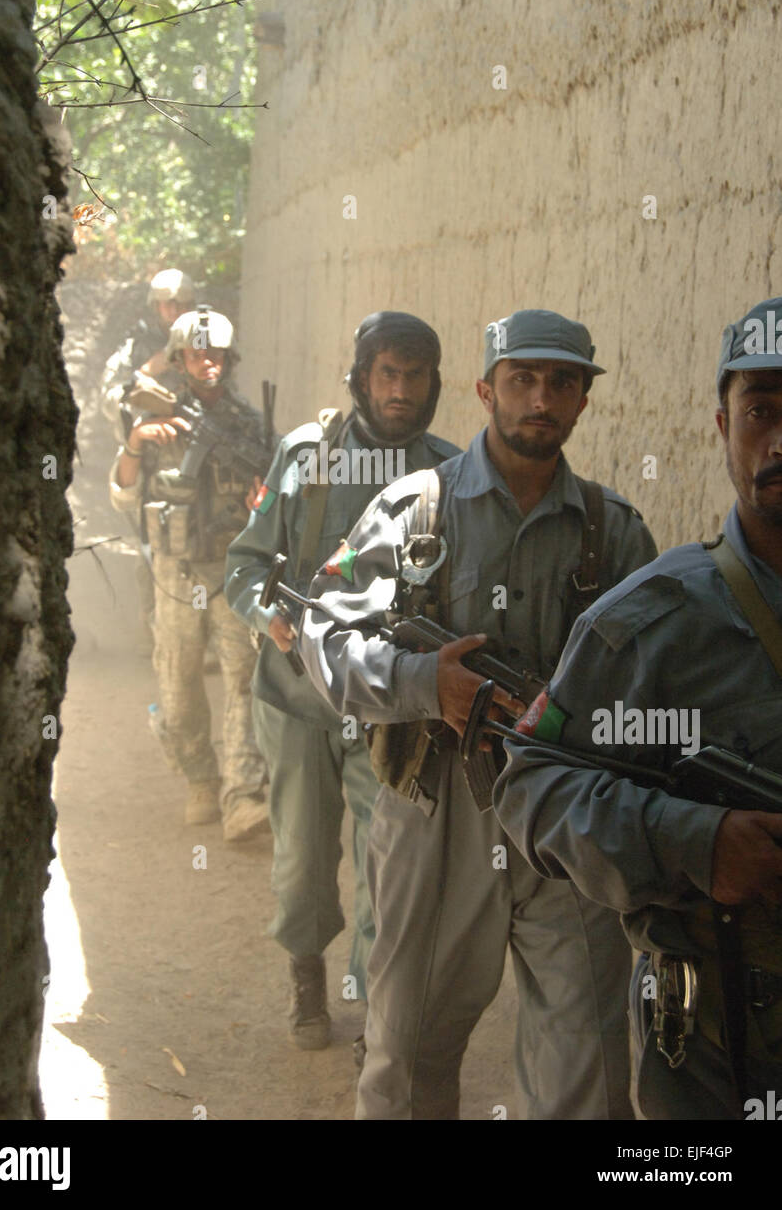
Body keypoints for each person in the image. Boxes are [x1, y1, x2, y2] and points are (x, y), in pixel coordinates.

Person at [299, 309, 658, 1119]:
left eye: (560, 383)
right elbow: (324, 636)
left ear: (581, 401)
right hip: (437, 813)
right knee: (409, 1051)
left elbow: (657, 681)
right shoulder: (411, 510)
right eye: (521, 380)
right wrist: (427, 683)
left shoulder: (617, 532)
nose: (541, 398)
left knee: (588, 1060)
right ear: (484, 389)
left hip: (570, 818)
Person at [493, 296, 782, 1121]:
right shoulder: (651, 620)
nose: (778, 438)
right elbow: (530, 786)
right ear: (720, 427)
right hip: (718, 1051)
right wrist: (695, 842)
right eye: (758, 409)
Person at [224, 312, 459, 1050]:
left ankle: (374, 1011)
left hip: (388, 710)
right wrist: (272, 619)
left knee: (387, 869)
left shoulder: (448, 475)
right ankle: (305, 971)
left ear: (433, 385)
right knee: (300, 863)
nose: (399, 390)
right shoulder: (303, 454)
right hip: (297, 700)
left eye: (413, 375)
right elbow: (244, 567)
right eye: (386, 373)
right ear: (360, 379)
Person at [110, 307, 272, 843]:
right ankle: (201, 779)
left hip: (232, 570)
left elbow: (271, 502)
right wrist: (136, 442)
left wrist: (262, 503)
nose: (209, 363)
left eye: (217, 355)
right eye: (198, 354)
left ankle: (243, 796)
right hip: (175, 575)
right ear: (180, 360)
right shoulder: (157, 417)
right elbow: (124, 494)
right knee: (178, 694)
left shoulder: (249, 424)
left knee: (244, 682)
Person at [101, 268, 196, 439]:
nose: (174, 311)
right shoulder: (136, 346)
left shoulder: (202, 345)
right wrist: (144, 374)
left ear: (190, 306)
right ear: (157, 306)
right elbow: (109, 402)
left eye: (180, 304)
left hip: (192, 441)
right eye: (167, 303)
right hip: (144, 447)